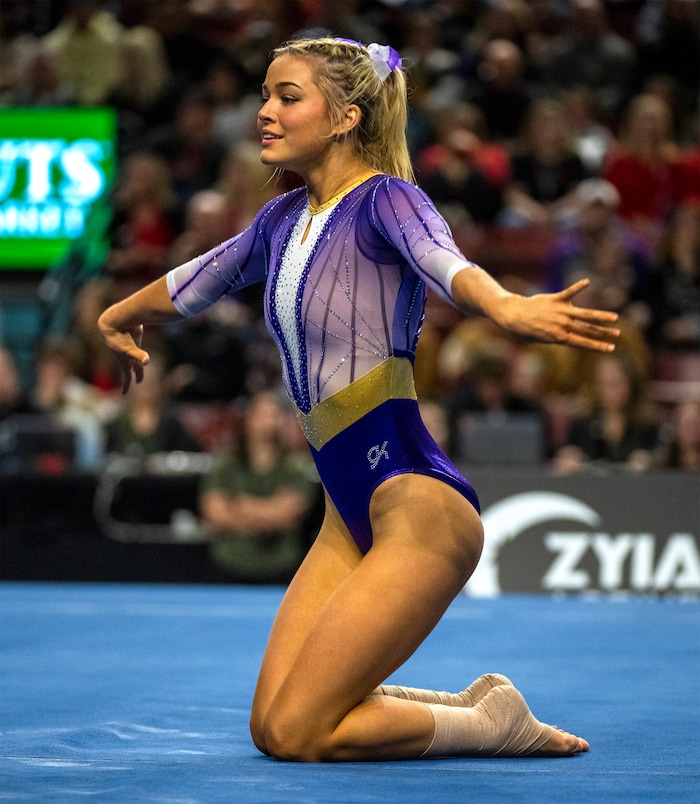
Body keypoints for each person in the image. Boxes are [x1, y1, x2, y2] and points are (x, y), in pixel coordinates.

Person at [98, 36, 620, 763]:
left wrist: (504, 307)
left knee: (303, 733)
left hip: (417, 509)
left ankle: (493, 727)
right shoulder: (280, 221)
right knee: (273, 728)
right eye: (264, 96)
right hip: (348, 514)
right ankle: (481, 706)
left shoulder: (387, 201)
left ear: (345, 117)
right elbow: (195, 280)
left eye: (287, 96)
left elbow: (448, 263)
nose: (264, 113)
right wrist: (117, 314)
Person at [200, 390, 320, 584]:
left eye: (275, 415)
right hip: (230, 563)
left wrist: (243, 507)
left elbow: (291, 512)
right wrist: (271, 514)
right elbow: (215, 514)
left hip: (283, 565)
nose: (269, 421)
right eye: (262, 414)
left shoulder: (296, 466)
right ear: (248, 419)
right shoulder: (225, 466)